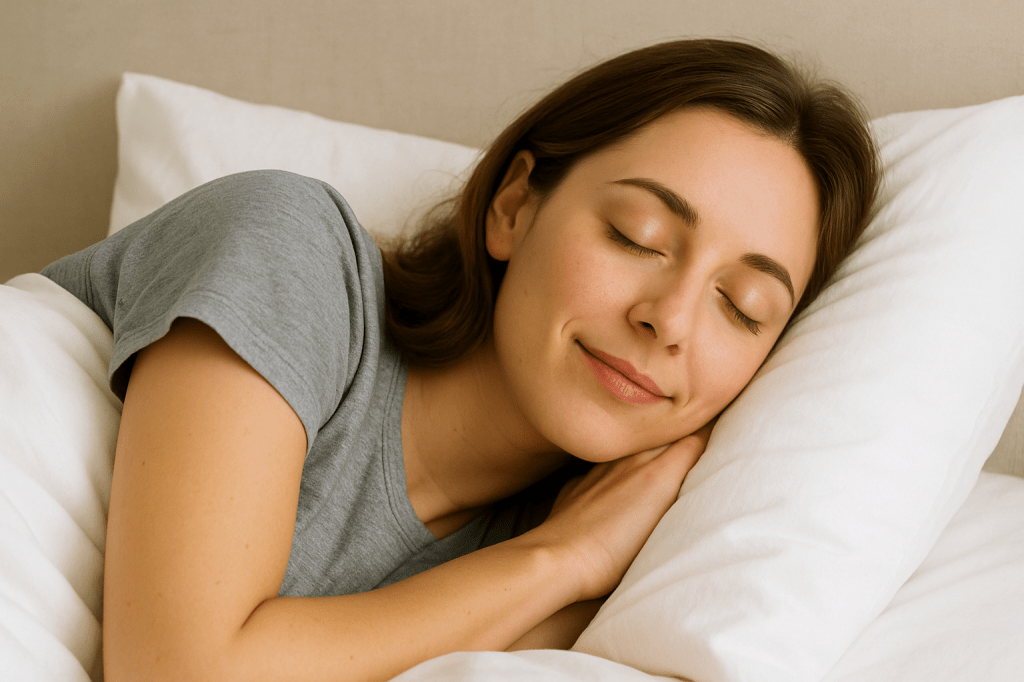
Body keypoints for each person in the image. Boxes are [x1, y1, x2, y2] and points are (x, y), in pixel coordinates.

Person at [42, 39, 878, 682]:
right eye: (638, 237)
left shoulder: (617, 580)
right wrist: (561, 558)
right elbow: (181, 673)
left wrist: (573, 567)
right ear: (514, 206)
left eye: (743, 307)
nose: (669, 322)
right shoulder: (288, 246)